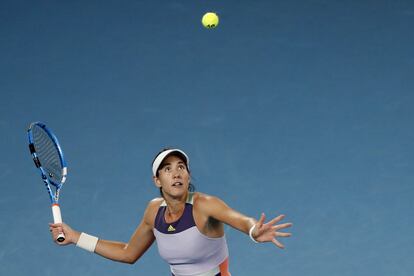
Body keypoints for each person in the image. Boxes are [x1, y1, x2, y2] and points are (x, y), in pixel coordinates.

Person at [49, 148, 292, 276]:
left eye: (181, 167)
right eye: (167, 169)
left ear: (187, 176)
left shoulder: (205, 205)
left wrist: (253, 230)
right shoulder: (153, 211)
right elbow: (128, 253)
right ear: (157, 180)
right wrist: (76, 237)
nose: (176, 173)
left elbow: (238, 218)